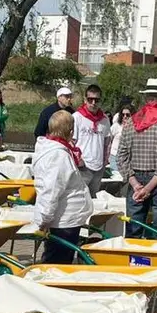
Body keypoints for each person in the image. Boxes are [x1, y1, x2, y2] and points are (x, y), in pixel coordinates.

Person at [118, 78, 157, 236]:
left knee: (133, 228)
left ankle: (133, 259)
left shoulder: (131, 123)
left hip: (135, 179)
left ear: (147, 98)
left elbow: (121, 156)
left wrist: (134, 183)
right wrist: (148, 188)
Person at [33, 111, 92, 264]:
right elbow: (51, 190)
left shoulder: (59, 150)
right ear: (70, 131)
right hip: (63, 220)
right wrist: (45, 218)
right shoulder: (58, 155)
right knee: (57, 262)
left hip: (67, 218)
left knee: (60, 259)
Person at [72, 84, 110, 195]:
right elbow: (71, 143)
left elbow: (107, 142)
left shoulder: (105, 119)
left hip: (98, 167)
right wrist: (78, 161)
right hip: (82, 166)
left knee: (93, 199)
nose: (93, 103)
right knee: (79, 196)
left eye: (96, 100)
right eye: (90, 99)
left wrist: (104, 162)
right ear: (85, 99)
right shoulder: (77, 117)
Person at [109, 105, 133, 174]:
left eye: (127, 115)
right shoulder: (116, 126)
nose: (125, 116)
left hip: (129, 158)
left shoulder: (135, 127)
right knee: (116, 176)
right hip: (115, 156)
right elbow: (109, 140)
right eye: (123, 114)